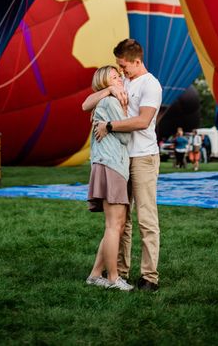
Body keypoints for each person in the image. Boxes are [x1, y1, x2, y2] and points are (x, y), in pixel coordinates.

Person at [82, 38, 162, 292]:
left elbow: (143, 121)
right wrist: (108, 90)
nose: (121, 70)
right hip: (120, 159)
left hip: (143, 157)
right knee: (121, 220)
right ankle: (120, 271)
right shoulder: (122, 81)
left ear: (136, 61)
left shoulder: (151, 85)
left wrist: (109, 126)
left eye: (123, 65)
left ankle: (149, 276)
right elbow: (87, 104)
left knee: (146, 218)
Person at [85, 65, 133, 292]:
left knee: (116, 224)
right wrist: (124, 119)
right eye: (114, 77)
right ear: (105, 83)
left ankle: (96, 274)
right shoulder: (111, 102)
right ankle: (113, 278)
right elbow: (125, 137)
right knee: (114, 224)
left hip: (110, 166)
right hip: (112, 166)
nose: (119, 78)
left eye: (119, 75)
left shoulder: (104, 102)